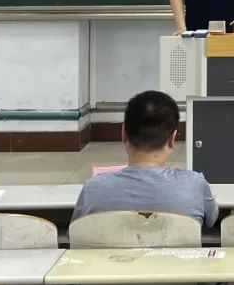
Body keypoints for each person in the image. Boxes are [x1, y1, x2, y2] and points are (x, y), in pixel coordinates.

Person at [72, 90, 218, 227]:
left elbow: (74, 233)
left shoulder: (93, 189)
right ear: (172, 139)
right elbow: (210, 222)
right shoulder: (195, 185)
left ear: (123, 134)